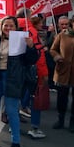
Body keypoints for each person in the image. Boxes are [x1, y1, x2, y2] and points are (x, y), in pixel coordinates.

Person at [0, 16, 39, 147]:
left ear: (16, 27)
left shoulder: (22, 39)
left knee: (12, 111)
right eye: (5, 25)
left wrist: (31, 47)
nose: (8, 28)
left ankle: (16, 142)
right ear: (1, 26)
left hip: (12, 78)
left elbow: (31, 60)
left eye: (11, 26)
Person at [17, 9, 49, 139]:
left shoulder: (11, 28)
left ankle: (13, 125)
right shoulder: (31, 31)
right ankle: (34, 128)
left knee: (15, 98)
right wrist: (43, 73)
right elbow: (38, 56)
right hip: (33, 70)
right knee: (35, 98)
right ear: (28, 17)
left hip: (16, 70)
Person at [50, 14, 74, 133]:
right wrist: (57, 57)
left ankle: (73, 122)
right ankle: (60, 119)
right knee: (62, 97)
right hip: (63, 71)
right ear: (73, 23)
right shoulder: (62, 35)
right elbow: (53, 49)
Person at [45, 16, 70, 90]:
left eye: (66, 24)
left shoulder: (71, 33)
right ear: (58, 25)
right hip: (54, 59)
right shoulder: (54, 33)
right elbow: (48, 45)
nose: (64, 26)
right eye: (62, 24)